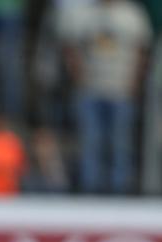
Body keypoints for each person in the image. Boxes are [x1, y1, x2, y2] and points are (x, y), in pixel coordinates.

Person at [61, 0, 152, 194]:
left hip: (120, 91)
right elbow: (70, 47)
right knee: (90, 145)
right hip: (91, 89)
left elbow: (142, 51)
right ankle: (90, 194)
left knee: (120, 146)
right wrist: (79, 77)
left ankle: (118, 195)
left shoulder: (132, 15)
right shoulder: (83, 14)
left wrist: (134, 82)